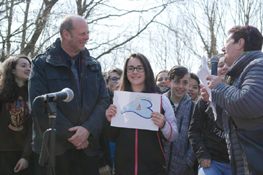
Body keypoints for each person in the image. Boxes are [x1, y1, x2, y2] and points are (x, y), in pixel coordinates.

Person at [28, 14, 110, 175]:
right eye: (82, 34)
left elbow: (103, 101)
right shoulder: (41, 64)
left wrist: (87, 129)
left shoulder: (94, 65)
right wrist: (75, 135)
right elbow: (38, 105)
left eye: (87, 32)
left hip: (88, 150)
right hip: (55, 151)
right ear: (66, 34)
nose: (87, 37)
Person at [104, 52, 178, 175]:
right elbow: (111, 137)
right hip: (123, 170)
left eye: (139, 68)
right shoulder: (118, 100)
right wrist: (108, 121)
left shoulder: (161, 100)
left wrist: (163, 124)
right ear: (126, 73)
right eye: (131, 68)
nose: (135, 72)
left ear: (147, 71)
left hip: (154, 170)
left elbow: (174, 136)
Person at [204, 25, 263, 175]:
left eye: (227, 42)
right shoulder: (239, 75)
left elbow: (249, 104)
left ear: (240, 43)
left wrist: (219, 88)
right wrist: (213, 99)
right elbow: (226, 125)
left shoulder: (258, 66)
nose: (223, 49)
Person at [188, 55, 231, 175]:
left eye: (228, 65)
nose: (224, 68)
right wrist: (202, 154)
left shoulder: (238, 97)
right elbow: (194, 130)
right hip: (212, 163)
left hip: (237, 164)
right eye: (221, 65)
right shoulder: (203, 101)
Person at [0, 56, 34, 175]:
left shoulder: (33, 94)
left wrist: (26, 156)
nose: (29, 69)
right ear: (13, 70)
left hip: (24, 154)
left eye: (30, 66)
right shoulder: (2, 93)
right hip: (3, 153)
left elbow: (32, 129)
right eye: (23, 66)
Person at [162, 66, 196, 175]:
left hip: (183, 169)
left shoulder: (194, 108)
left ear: (189, 84)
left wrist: (188, 162)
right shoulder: (159, 104)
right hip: (159, 167)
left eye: (185, 82)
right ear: (169, 82)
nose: (181, 86)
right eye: (177, 81)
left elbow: (196, 136)